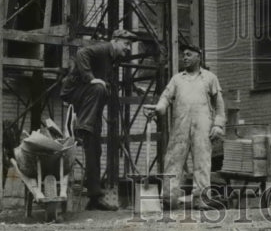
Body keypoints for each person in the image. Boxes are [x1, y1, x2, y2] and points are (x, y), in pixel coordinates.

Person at [60, 28, 136, 210]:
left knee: (94, 150)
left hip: (89, 103)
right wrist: (91, 78)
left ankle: (94, 197)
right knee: (99, 88)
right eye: (126, 44)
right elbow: (81, 53)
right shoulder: (103, 49)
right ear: (115, 40)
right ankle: (84, 127)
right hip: (74, 92)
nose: (128, 49)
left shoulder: (112, 59)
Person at [145, 43, 225, 209]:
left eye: (189, 54)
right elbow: (165, 97)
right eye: (184, 55)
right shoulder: (177, 79)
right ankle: (169, 200)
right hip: (180, 126)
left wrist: (218, 125)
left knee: (202, 163)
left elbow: (219, 105)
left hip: (203, 127)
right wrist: (159, 108)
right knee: (173, 162)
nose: (185, 57)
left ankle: (201, 200)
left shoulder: (210, 78)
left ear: (198, 56)